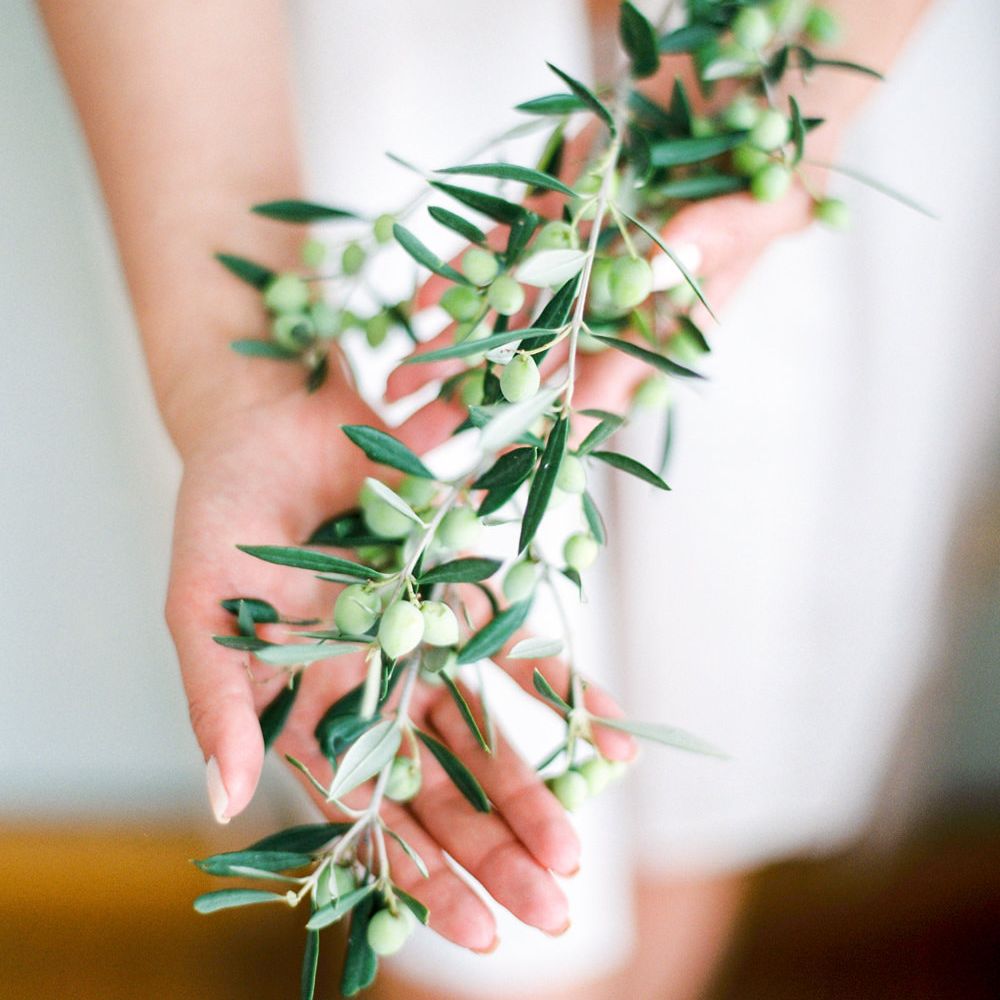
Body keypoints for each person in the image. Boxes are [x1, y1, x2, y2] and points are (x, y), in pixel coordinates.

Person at [35, 1, 999, 997]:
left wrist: (819, 64)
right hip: (311, 87)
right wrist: (238, 380)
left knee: (714, 712)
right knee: (474, 893)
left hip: (814, 57)